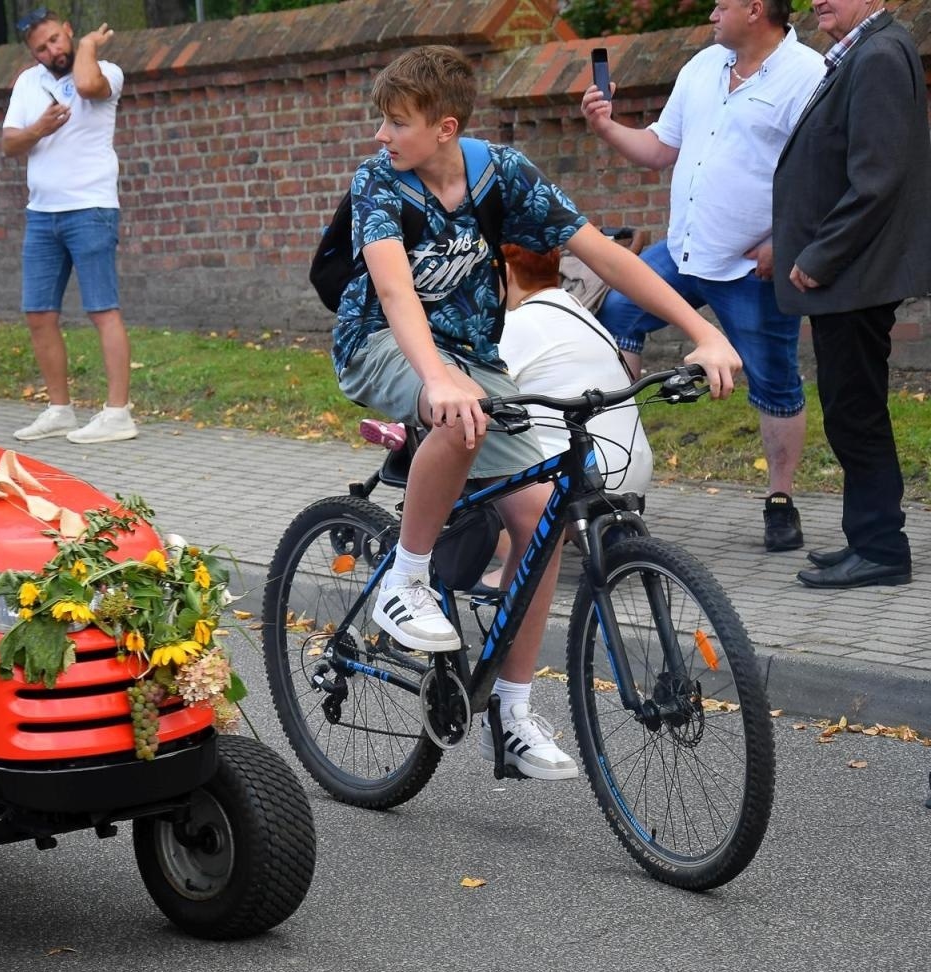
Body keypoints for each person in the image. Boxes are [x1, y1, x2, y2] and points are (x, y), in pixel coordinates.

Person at [333, 46, 740, 780]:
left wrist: (705, 331)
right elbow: (395, 293)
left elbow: (610, 260)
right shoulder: (378, 183)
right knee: (458, 413)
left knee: (543, 516)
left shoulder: (502, 174)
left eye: (397, 123)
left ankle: (513, 716)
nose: (382, 136)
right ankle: (405, 581)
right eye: (383, 122)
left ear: (445, 127)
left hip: (473, 357)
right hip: (381, 345)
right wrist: (438, 378)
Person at [581, 0, 822, 553]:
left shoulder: (806, 75)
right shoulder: (701, 67)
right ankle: (618, 476)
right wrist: (607, 125)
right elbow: (662, 150)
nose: (713, 12)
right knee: (618, 311)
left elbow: (820, 172)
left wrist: (785, 243)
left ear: (756, 10)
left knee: (774, 380)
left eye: (723, 4)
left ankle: (780, 501)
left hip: (750, 265)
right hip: (684, 251)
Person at [773, 0, 929, 589]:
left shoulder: (881, 55)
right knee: (850, 408)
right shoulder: (865, 52)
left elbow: (877, 176)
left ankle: (882, 549)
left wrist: (819, 256)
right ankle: (869, 535)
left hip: (856, 277)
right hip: (853, 277)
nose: (817, 0)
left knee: (856, 412)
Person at [1, 10, 136, 444]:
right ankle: (59, 409)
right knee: (38, 313)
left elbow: (85, 86)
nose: (52, 51)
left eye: (58, 40)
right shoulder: (27, 83)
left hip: (90, 208)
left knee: (102, 310)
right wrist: (38, 128)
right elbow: (9, 143)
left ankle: (118, 413)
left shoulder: (105, 72)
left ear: (70, 33)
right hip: (41, 213)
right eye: (42, 47)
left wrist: (90, 48)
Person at [498, 244, 653, 496]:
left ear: (506, 272)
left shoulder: (518, 324)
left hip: (577, 478)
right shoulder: (579, 312)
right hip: (632, 471)